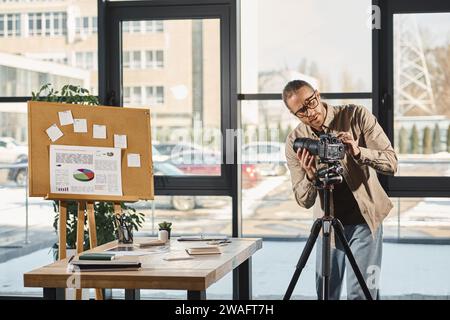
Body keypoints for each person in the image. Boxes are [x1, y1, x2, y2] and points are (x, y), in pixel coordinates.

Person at [282, 79, 398, 300]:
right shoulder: (295, 141)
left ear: (318, 93)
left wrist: (358, 152)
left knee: (362, 294)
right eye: (302, 111)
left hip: (365, 220)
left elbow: (391, 163)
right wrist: (310, 176)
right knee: (326, 293)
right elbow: (303, 200)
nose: (311, 112)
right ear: (294, 114)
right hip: (328, 226)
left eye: (311, 101)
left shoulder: (357, 115)